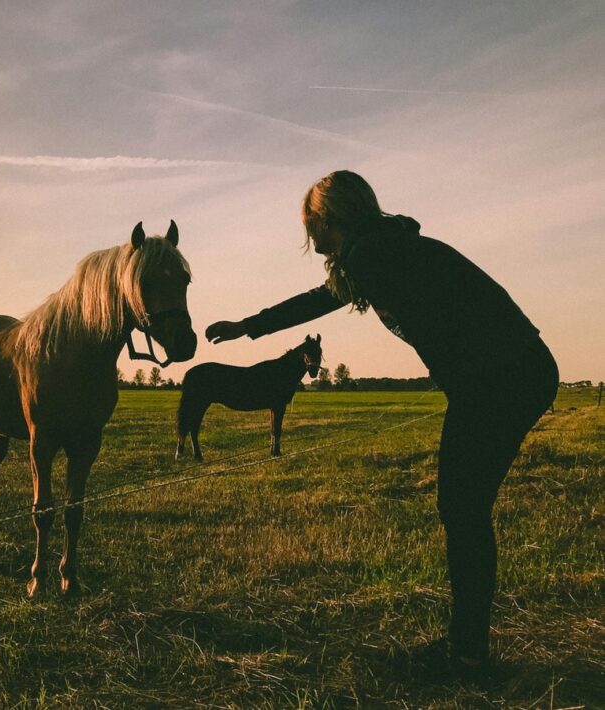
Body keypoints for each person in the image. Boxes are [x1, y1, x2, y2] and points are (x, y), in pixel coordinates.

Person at [206, 170, 558, 680]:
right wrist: (252, 326)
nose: (311, 239)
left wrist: (249, 326)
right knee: (464, 508)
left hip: (501, 378)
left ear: (330, 218)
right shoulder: (384, 247)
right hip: (514, 371)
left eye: (312, 225)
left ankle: (468, 656)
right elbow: (328, 296)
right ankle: (468, 647)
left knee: (461, 508)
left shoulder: (373, 254)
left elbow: (324, 299)